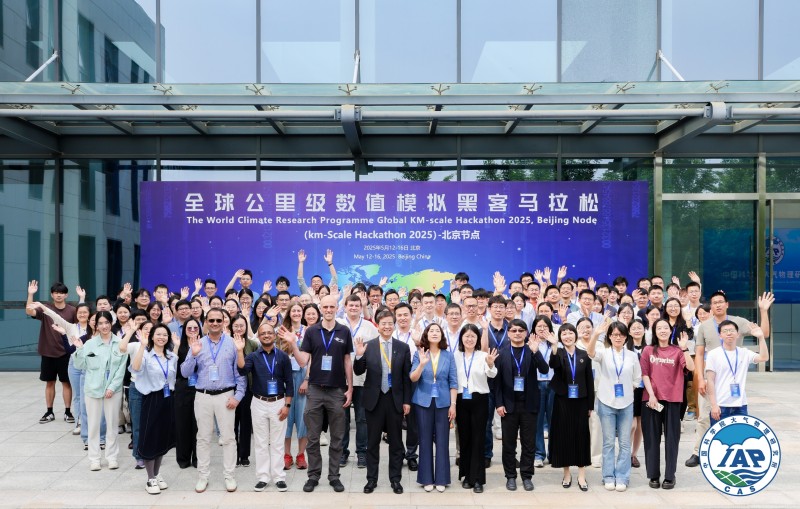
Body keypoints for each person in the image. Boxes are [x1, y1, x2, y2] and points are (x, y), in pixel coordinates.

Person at [685, 291, 773, 468]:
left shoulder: (737, 322)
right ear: (711, 306)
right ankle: (698, 452)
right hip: (710, 377)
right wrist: (700, 378)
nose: (718, 305)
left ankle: (731, 452)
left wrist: (763, 311)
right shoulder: (705, 326)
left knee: (734, 419)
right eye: (714, 302)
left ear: (727, 304)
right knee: (704, 417)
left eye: (721, 302)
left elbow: (763, 333)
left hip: (732, 379)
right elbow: (699, 354)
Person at [279, 295, 353, 493]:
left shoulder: (344, 331)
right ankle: (313, 476)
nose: (328, 310)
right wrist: (293, 344)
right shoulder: (312, 331)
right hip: (315, 390)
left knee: (337, 437)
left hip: (337, 390)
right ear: (321, 308)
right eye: (325, 306)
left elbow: (347, 360)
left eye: (331, 307)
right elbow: (303, 361)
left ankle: (334, 476)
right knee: (312, 437)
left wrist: (350, 388)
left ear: (336, 308)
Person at [180, 307, 246, 493]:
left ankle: (229, 476)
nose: (215, 323)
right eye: (211, 320)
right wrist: (193, 354)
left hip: (226, 396)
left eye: (219, 320)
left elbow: (240, 374)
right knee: (202, 438)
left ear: (224, 322)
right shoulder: (198, 343)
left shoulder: (233, 343)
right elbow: (185, 373)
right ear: (206, 322)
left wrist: (238, 396)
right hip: (203, 396)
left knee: (229, 438)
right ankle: (203, 476)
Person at [353, 309, 412, 494]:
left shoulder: (403, 347)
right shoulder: (368, 346)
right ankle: (371, 479)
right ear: (377, 326)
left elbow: (406, 378)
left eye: (390, 323)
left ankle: (395, 479)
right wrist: (359, 356)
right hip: (374, 400)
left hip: (394, 400)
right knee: (372, 443)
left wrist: (407, 401)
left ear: (394, 325)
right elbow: (358, 371)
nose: (387, 326)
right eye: (383, 323)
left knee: (396, 443)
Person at [236, 322, 294, 492]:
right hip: (258, 402)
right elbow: (242, 371)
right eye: (263, 333)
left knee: (277, 442)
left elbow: (289, 383)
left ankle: (279, 477)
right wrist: (239, 351)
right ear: (259, 337)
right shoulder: (253, 356)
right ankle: (263, 477)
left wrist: (287, 405)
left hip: (278, 402)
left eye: (269, 333)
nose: (266, 335)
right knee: (261, 442)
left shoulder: (283, 356)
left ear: (274, 335)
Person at [587, 320, 642, 492]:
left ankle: (622, 476)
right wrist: (596, 334)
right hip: (606, 402)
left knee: (625, 443)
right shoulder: (604, 353)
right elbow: (590, 352)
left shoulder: (632, 356)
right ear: (609, 337)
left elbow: (637, 378)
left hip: (626, 403)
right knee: (609, 442)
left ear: (626, 337)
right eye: (614, 334)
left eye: (621, 335)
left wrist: (628, 390)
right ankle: (608, 476)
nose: (618, 337)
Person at [494, 319, 548, 492]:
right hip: (508, 406)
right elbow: (496, 382)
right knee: (508, 444)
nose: (517, 333)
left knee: (529, 443)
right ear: (508, 333)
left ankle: (526, 476)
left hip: (529, 405)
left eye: (520, 330)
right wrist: (499, 403)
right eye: (514, 330)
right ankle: (510, 476)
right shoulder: (502, 353)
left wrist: (536, 352)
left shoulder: (531, 350)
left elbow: (545, 370)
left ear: (526, 333)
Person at [640, 318, 693, 490]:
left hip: (673, 400)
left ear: (671, 331)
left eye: (665, 328)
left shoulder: (677, 350)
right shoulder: (648, 350)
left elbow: (691, 368)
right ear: (654, 332)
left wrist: (685, 348)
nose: (662, 330)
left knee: (672, 439)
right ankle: (653, 475)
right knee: (651, 439)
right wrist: (651, 395)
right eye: (659, 328)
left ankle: (670, 476)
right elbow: (645, 374)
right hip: (652, 400)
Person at [71, 311, 127, 471]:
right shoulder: (90, 344)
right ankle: (94, 459)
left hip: (113, 389)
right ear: (96, 325)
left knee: (112, 424)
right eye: (100, 323)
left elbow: (121, 369)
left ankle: (112, 457)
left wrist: (112, 387)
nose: (104, 326)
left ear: (111, 323)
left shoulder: (120, 343)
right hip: (93, 388)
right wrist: (79, 349)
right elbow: (80, 365)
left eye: (106, 322)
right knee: (93, 425)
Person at [129, 323, 178, 494]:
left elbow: (172, 378)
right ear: (151, 336)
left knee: (162, 438)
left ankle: (156, 474)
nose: (161, 337)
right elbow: (135, 368)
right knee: (150, 437)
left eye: (165, 335)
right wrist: (142, 346)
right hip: (151, 399)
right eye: (158, 334)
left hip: (168, 398)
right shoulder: (146, 354)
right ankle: (150, 479)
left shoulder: (172, 356)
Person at [410, 323, 458, 492]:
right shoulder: (420, 353)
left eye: (438, 331)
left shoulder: (448, 355)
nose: (435, 333)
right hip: (423, 402)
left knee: (443, 440)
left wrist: (453, 405)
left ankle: (442, 479)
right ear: (426, 334)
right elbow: (413, 378)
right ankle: (426, 478)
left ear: (442, 335)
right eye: (432, 331)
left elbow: (453, 382)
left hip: (443, 403)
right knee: (424, 440)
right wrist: (422, 364)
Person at [547, 323, 594, 491]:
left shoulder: (584, 354)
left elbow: (589, 380)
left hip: (581, 401)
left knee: (581, 435)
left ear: (575, 335)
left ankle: (581, 475)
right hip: (563, 400)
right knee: (564, 436)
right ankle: (566, 473)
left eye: (570, 333)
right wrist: (554, 346)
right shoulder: (558, 353)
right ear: (560, 337)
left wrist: (590, 405)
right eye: (564, 334)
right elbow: (553, 366)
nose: (567, 336)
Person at [454, 324, 498, 493]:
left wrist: (491, 364)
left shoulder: (483, 356)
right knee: (465, 438)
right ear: (461, 338)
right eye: (467, 336)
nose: (470, 339)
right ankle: (466, 475)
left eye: (473, 336)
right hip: (461, 400)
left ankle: (478, 479)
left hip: (479, 399)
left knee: (478, 439)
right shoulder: (455, 356)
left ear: (477, 339)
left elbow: (492, 374)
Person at [26, 280, 77, 424]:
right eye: (56, 293)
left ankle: (68, 412)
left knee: (66, 383)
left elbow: (78, 328)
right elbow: (29, 311)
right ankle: (49, 411)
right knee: (50, 383)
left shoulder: (72, 310)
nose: (58, 295)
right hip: (48, 352)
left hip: (66, 353)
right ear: (52, 294)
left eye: (61, 293)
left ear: (66, 295)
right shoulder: (45, 309)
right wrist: (30, 294)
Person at [338, 294, 378, 468]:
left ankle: (362, 453)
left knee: (362, 419)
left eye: (357, 305)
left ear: (361, 308)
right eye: (351, 305)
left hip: (363, 379)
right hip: (341, 379)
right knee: (342, 418)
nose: (354, 308)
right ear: (345, 306)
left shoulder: (369, 327)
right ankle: (342, 452)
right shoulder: (338, 325)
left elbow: (376, 352)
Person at [705, 320, 769, 424]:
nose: (729, 333)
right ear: (720, 335)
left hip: (740, 405)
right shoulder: (713, 354)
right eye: (725, 331)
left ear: (738, 334)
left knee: (740, 434)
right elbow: (710, 381)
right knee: (720, 434)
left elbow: (764, 357)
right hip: (721, 405)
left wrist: (761, 338)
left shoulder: (744, 352)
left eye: (732, 330)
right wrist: (714, 405)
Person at [174, 318, 201, 469]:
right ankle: (183, 458)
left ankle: (198, 458)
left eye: (195, 328)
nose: (192, 330)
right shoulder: (179, 345)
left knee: (198, 426)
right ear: (184, 330)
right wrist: (176, 347)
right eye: (189, 328)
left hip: (199, 387)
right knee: (182, 425)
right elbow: (173, 367)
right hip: (183, 388)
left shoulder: (204, 345)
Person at [532, 315, 556, 468]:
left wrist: (555, 345)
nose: (542, 329)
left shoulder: (555, 343)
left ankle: (553, 454)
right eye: (539, 326)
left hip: (553, 384)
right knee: (538, 421)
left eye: (545, 326)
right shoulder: (530, 344)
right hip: (536, 384)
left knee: (553, 420)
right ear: (534, 328)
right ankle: (538, 454)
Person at [627, 319, 647, 468]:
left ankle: (634, 454)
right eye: (634, 328)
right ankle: (626, 452)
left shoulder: (649, 348)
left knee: (640, 423)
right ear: (629, 331)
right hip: (630, 389)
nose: (637, 330)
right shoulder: (625, 349)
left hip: (645, 389)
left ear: (644, 330)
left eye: (639, 327)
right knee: (631, 423)